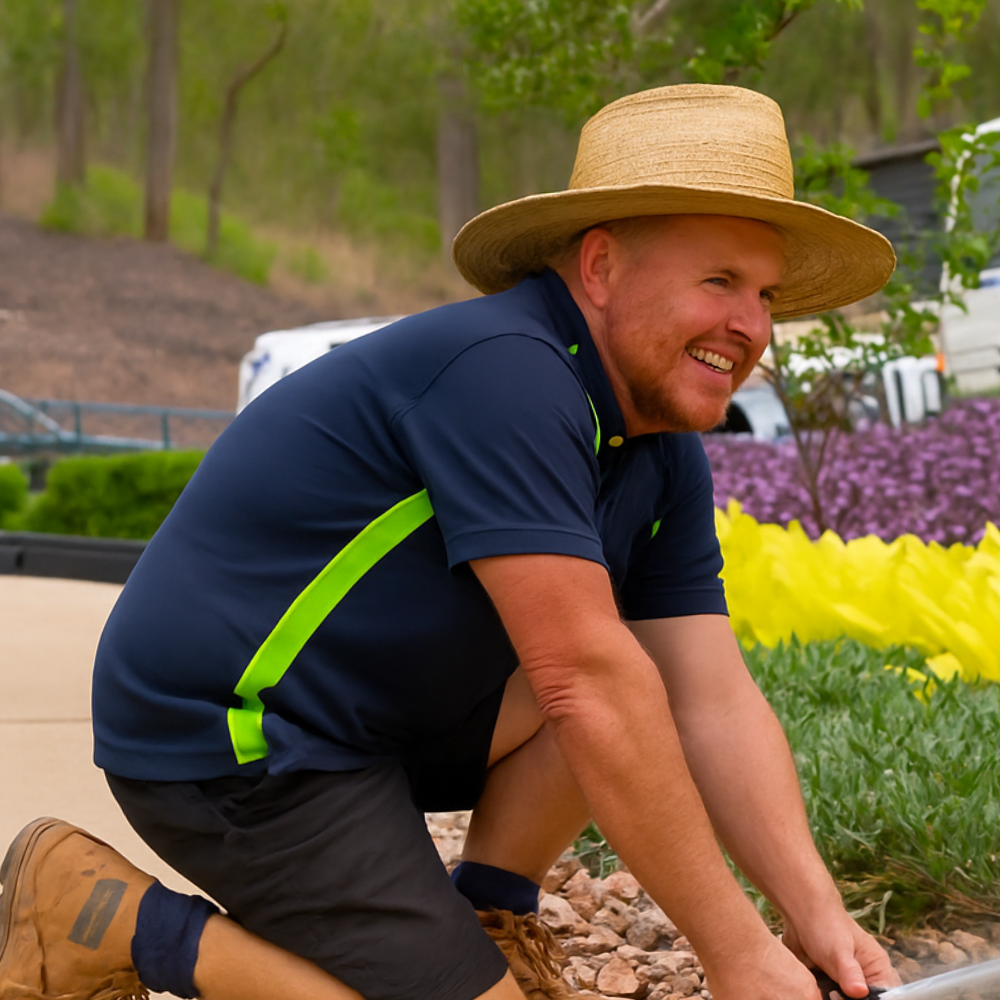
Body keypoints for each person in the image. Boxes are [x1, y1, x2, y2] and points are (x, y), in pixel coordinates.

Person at [0, 84, 901, 1000]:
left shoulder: (657, 446)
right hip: (234, 738)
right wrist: (739, 956)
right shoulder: (505, 373)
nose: (751, 326)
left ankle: (483, 925)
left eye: (766, 294)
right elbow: (584, 683)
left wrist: (816, 920)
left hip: (370, 718)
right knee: (601, 682)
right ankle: (107, 918)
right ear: (599, 268)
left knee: (647, 673)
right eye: (718, 282)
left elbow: (710, 697)